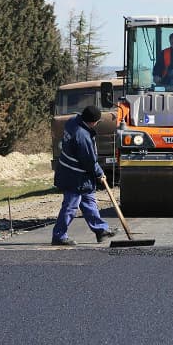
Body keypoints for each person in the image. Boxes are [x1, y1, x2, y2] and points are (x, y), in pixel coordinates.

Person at [52, 105, 115, 246]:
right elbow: (89, 161)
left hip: (76, 173)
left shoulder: (73, 121)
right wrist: (100, 173)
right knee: (70, 206)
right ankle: (59, 236)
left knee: (89, 202)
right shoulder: (82, 136)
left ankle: (100, 230)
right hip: (74, 176)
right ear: (93, 122)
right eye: (97, 122)